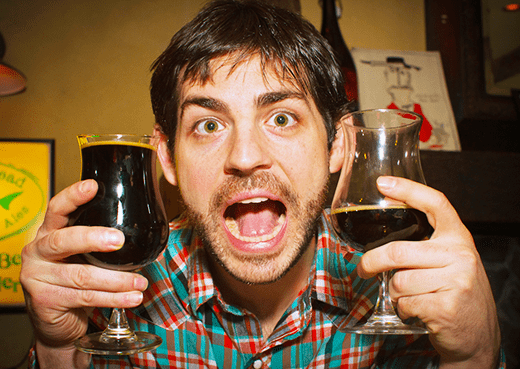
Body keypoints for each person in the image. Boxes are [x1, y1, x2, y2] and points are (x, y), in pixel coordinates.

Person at [20, 0, 503, 368]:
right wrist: (56, 347)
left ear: (338, 145)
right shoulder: (113, 294)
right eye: (209, 125)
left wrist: (475, 354)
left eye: (282, 117)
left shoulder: (402, 293)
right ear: (166, 156)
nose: (246, 157)